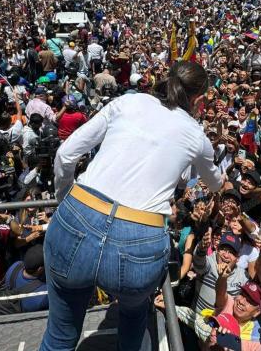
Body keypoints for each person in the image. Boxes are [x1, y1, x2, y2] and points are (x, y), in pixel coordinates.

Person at [41, 61, 223, 350]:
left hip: (76, 215)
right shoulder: (197, 136)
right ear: (199, 100)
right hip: (140, 240)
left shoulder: (129, 101)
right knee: (135, 318)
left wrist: (66, 203)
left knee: (59, 337)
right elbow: (215, 183)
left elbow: (65, 155)